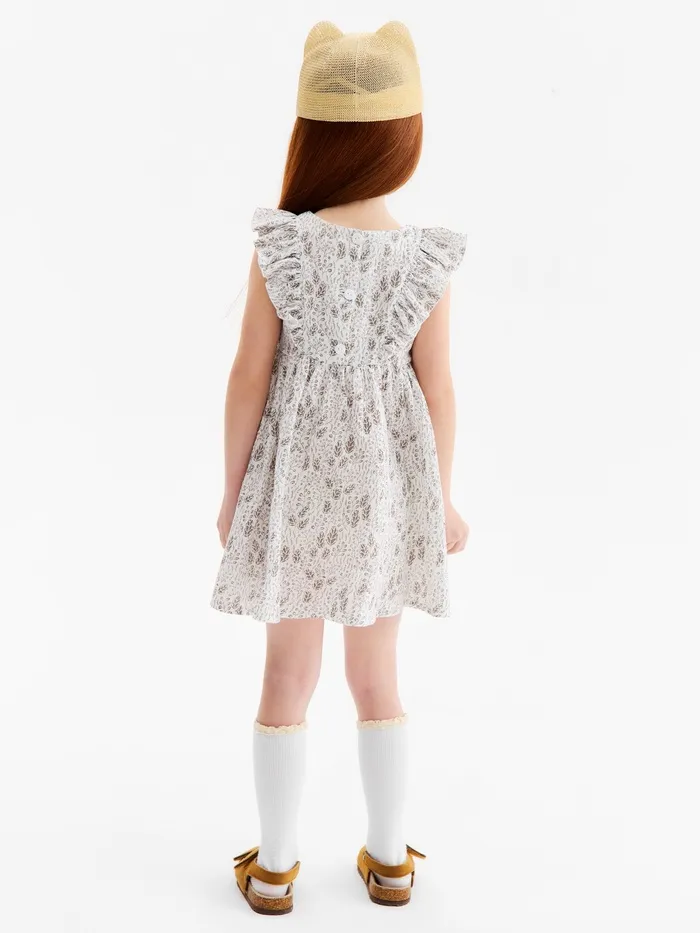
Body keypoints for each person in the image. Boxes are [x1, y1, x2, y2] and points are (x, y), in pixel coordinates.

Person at [211, 20, 469, 915]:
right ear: (403, 137)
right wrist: (441, 502)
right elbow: (437, 390)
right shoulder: (422, 258)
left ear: (313, 135)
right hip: (385, 498)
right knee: (377, 676)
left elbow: (248, 376)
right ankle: (390, 859)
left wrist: (234, 490)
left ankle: (275, 867)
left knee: (287, 674)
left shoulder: (284, 245)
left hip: (293, 495)